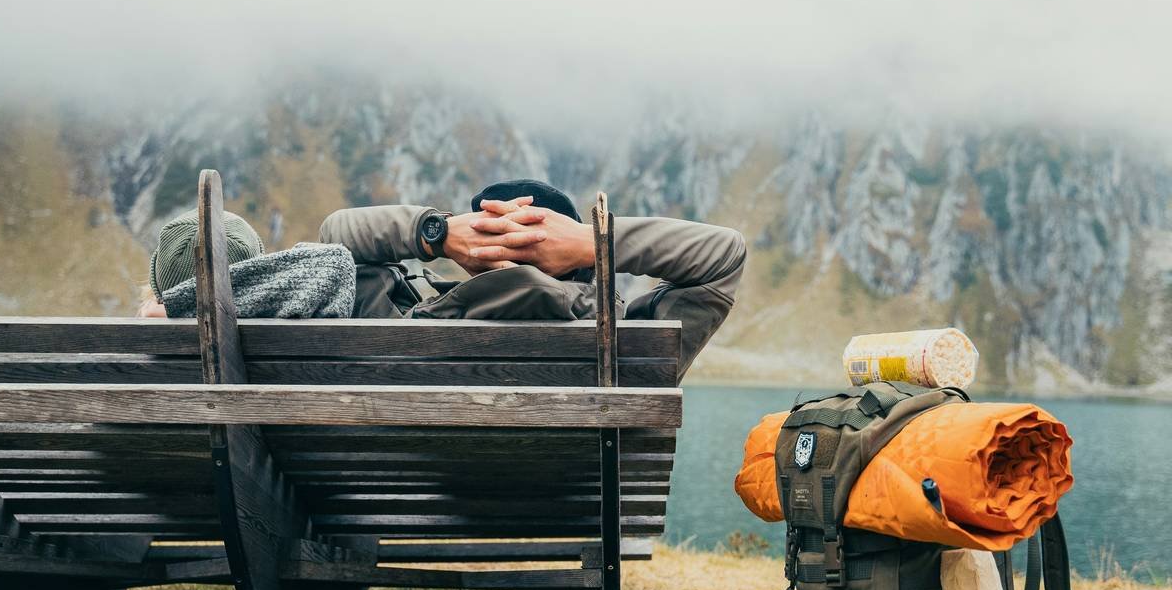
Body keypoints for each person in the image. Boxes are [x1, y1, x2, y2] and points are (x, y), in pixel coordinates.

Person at [318, 179, 746, 381]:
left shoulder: (404, 317)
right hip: (575, 499)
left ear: (473, 253)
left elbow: (333, 239)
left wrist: (439, 234)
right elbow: (725, 255)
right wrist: (591, 242)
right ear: (579, 267)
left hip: (415, 482)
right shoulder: (627, 344)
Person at [138, 209, 356, 318]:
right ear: (255, 271)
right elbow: (336, 262)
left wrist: (180, 310)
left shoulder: (142, 351)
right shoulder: (277, 329)